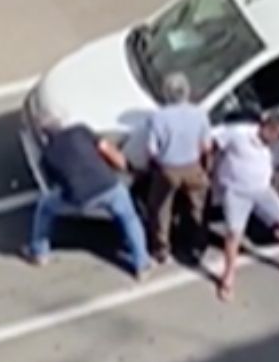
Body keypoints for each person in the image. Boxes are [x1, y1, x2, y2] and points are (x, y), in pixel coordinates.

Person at [26, 118, 151, 276]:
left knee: (45, 207)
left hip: (80, 198)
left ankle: (39, 253)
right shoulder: (80, 131)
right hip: (108, 186)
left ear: (45, 136)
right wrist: (125, 167)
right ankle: (142, 264)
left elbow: (54, 184)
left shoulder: (46, 156)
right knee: (129, 218)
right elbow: (106, 149)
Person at [211, 111, 279, 301]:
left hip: (263, 190)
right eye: (278, 135)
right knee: (234, 234)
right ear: (267, 128)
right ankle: (228, 276)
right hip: (237, 192)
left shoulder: (276, 146)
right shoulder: (238, 133)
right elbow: (213, 143)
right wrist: (212, 169)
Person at [145, 72, 212, 264]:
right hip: (193, 166)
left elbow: (152, 149)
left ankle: (162, 248)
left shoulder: (158, 117)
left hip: (168, 169)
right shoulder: (200, 114)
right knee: (197, 206)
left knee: (160, 208)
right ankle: (196, 244)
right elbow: (206, 146)